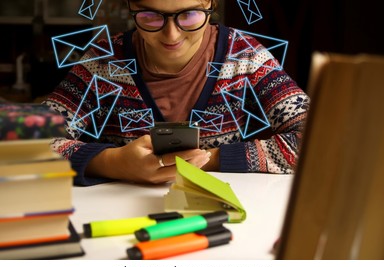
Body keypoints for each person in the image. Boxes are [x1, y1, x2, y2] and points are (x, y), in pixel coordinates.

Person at [43, 0, 309, 186]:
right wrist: (111, 163)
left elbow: (318, 142)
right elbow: (26, 143)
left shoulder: (245, 56)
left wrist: (210, 160)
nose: (171, 35)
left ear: (210, 4)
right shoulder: (102, 61)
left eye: (189, 15)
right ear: (131, 8)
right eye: (150, 17)